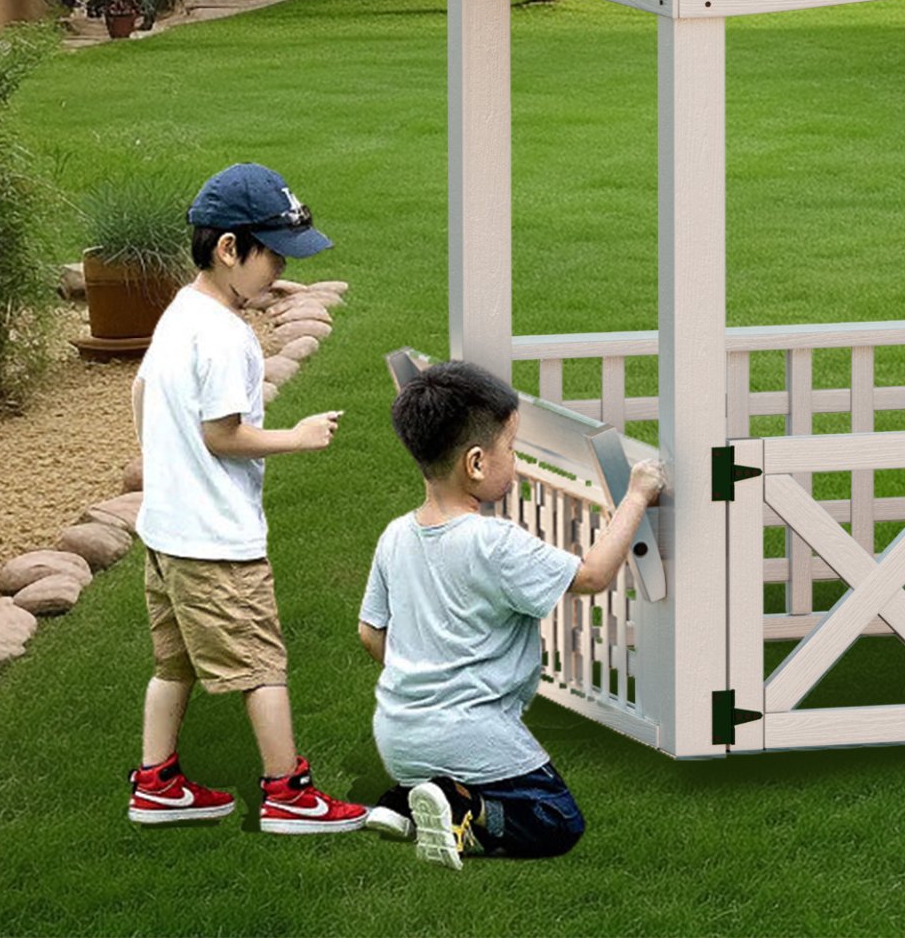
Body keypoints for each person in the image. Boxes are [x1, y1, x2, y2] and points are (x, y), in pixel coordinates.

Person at [127, 162, 367, 834]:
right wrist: (298, 436)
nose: (280, 270)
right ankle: (289, 795)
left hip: (167, 531)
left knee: (172, 663)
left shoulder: (185, 310)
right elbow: (224, 434)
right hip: (216, 541)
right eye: (274, 256)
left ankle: (156, 783)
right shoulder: (228, 338)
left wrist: (162, 459)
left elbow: (143, 394)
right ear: (230, 248)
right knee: (262, 663)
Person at [358, 360, 666, 869]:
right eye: (512, 449)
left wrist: (420, 674)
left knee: (443, 767)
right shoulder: (491, 542)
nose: (517, 461)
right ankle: (465, 808)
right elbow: (591, 576)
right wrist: (636, 495)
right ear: (476, 463)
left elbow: (370, 633)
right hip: (472, 734)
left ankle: (406, 802)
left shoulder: (395, 535)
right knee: (556, 820)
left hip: (397, 732)